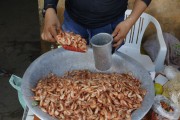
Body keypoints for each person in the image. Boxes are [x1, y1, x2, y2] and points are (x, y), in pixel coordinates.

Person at [41, 0, 151, 48]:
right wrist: (49, 8)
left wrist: (129, 22)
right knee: (72, 69)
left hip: (111, 27)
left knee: (106, 75)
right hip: (73, 24)